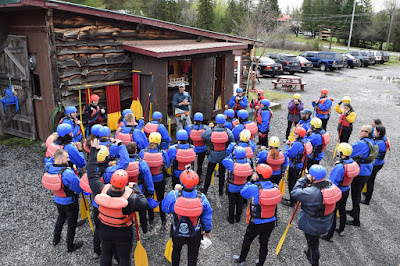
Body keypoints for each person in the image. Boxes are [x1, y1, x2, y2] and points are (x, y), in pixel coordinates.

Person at [87, 139, 148, 266]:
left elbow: (91, 173)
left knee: (106, 254)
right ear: (125, 183)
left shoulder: (99, 189)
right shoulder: (130, 200)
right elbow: (144, 203)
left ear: (111, 182)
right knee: (124, 257)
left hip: (104, 229)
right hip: (122, 232)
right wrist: (136, 188)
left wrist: (93, 150)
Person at [80, 142, 129, 259]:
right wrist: (121, 145)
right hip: (110, 205)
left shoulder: (90, 171)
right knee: (113, 229)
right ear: (107, 158)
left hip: (96, 204)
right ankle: (116, 257)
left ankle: (96, 251)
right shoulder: (110, 172)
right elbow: (125, 161)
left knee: (98, 228)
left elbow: (91, 168)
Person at [291, 165, 342, 266]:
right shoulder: (330, 185)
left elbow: (294, 193)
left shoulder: (311, 192)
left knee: (314, 244)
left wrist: (304, 179)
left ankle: (314, 262)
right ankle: (310, 251)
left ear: (313, 177)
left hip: (312, 223)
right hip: (325, 221)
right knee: (313, 242)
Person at [162, 167, 213, 266]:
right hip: (195, 232)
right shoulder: (202, 198)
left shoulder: (173, 195)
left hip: (177, 231)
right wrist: (207, 230)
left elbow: (165, 209)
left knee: (176, 251)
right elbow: (207, 217)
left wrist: (175, 191)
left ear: (181, 181)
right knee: (193, 256)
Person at [233, 164, 281, 266]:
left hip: (256, 222)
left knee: (247, 240)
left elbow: (243, 192)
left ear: (258, 175)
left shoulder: (255, 188)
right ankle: (260, 263)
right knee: (264, 243)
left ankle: (241, 260)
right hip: (270, 221)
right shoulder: (275, 187)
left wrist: (251, 181)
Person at [42, 149, 83, 252]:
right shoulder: (67, 173)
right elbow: (78, 187)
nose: (69, 159)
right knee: (71, 223)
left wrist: (56, 154)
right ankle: (70, 246)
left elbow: (49, 159)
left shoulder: (48, 167)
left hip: (58, 200)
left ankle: (56, 239)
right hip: (70, 202)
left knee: (61, 218)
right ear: (60, 159)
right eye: (67, 157)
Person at [321, 143, 359, 241]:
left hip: (338, 192)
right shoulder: (352, 162)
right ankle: (341, 229)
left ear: (341, 153)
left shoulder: (340, 166)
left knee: (333, 213)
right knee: (342, 209)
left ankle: (329, 235)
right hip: (346, 190)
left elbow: (332, 181)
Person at [138, 132, 170, 228]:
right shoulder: (163, 153)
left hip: (147, 181)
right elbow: (167, 164)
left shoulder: (143, 152)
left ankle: (151, 218)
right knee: (161, 198)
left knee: (149, 198)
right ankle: (163, 219)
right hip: (159, 180)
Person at [347, 125, 376, 226]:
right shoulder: (372, 141)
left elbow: (349, 151)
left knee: (355, 194)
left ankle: (356, 220)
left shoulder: (361, 144)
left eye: (362, 131)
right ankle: (353, 211)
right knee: (357, 193)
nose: (360, 132)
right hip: (367, 170)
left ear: (367, 133)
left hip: (360, 172)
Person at [125, 142, 155, 239]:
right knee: (142, 212)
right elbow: (148, 178)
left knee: (127, 211)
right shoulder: (141, 163)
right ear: (136, 150)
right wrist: (151, 191)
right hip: (139, 191)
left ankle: (129, 231)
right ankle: (145, 232)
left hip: (126, 192)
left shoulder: (121, 163)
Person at [201, 114, 235, 195]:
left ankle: (205, 190)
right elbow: (232, 141)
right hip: (223, 155)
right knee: (222, 174)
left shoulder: (211, 131)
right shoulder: (228, 132)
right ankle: (220, 191)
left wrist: (209, 128)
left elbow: (203, 136)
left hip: (213, 155)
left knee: (209, 173)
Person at [283, 127, 313, 207]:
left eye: (296, 134)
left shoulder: (297, 144)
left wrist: (287, 145)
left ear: (300, 135)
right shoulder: (304, 141)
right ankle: (294, 199)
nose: (294, 134)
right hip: (300, 165)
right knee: (296, 182)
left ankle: (292, 201)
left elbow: (289, 154)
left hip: (294, 166)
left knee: (291, 183)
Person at [222, 147, 253, 224]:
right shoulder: (248, 161)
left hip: (232, 187)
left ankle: (231, 218)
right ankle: (238, 217)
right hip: (243, 186)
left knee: (231, 203)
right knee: (240, 202)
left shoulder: (232, 163)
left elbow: (224, 161)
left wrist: (231, 155)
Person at [362, 125, 389, 205]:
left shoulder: (380, 143)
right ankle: (367, 193)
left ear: (379, 133)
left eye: (375, 131)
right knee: (370, 179)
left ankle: (367, 199)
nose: (373, 132)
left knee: (370, 181)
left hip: (376, 164)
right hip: (380, 162)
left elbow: (370, 150)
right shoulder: (384, 139)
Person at [185, 112, 208, 180]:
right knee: (199, 164)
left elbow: (186, 137)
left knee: (191, 163)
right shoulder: (205, 128)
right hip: (202, 149)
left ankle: (190, 177)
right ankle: (198, 177)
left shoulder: (189, 128)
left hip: (192, 149)